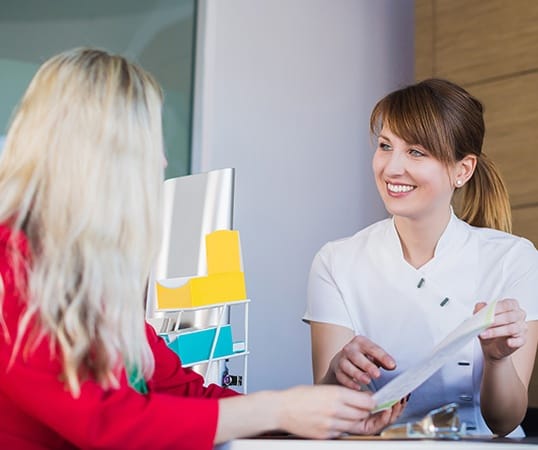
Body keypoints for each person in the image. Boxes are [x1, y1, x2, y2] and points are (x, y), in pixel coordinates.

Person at [0, 48, 405, 450]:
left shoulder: (87, 280)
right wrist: (279, 409)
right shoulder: (11, 263)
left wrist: (320, 416)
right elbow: (108, 421)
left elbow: (183, 395)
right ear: (98, 155)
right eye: (148, 146)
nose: (161, 162)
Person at [304, 78, 538, 438]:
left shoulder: (514, 259)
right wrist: (338, 371)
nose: (392, 168)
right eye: (385, 146)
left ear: (463, 170)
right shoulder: (336, 261)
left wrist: (497, 359)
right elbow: (327, 412)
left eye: (416, 152)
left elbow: (504, 421)